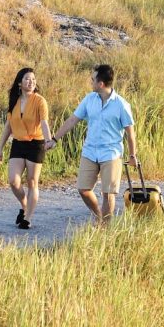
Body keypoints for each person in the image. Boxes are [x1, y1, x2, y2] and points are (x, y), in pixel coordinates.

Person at [50, 62, 137, 226]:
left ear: (101, 83)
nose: (91, 82)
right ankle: (98, 215)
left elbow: (130, 133)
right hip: (90, 151)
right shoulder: (89, 99)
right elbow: (73, 120)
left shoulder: (121, 105)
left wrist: (132, 156)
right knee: (83, 189)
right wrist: (54, 139)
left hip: (111, 153)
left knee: (108, 194)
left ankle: (104, 228)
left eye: (93, 79)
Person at [0, 66, 52, 229]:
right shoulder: (15, 100)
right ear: (20, 83)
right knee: (14, 181)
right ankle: (24, 204)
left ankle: (27, 218)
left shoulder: (40, 101)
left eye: (33, 79)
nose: (31, 82)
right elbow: (8, 126)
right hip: (18, 143)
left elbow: (44, 123)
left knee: (32, 181)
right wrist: (0, 148)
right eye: (27, 79)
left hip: (36, 143)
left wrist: (48, 140)